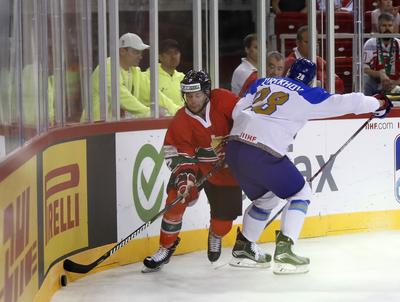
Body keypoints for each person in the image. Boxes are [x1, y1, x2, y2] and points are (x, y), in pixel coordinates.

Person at [225, 58, 392, 274]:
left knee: (266, 199)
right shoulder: (307, 94)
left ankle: (244, 249)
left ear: (287, 71)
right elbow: (345, 102)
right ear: (311, 80)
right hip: (264, 151)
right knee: (300, 193)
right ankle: (286, 251)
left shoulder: (263, 82)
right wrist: (377, 104)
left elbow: (237, 110)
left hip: (235, 147)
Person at [142, 70, 269, 273]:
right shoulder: (181, 120)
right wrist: (186, 180)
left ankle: (215, 235)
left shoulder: (225, 100)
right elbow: (177, 153)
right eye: (189, 96)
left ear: (207, 93)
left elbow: (248, 122)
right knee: (176, 198)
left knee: (223, 223)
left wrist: (237, 153)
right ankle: (165, 248)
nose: (192, 101)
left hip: (226, 171)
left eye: (197, 95)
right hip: (197, 166)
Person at [85, 32, 180, 121]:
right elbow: (122, 97)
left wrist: (179, 111)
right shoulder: (107, 68)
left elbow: (155, 94)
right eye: (136, 52)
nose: (140, 56)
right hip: (95, 128)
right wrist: (149, 113)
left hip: (114, 128)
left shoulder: (134, 71)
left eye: (140, 52)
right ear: (122, 51)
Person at [284, 25, 345, 94]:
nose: (312, 45)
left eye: (315, 42)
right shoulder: (289, 63)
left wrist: (322, 84)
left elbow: (339, 86)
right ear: (298, 43)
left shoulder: (320, 61)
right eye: (307, 42)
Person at [364, 12, 400, 95]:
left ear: (393, 27)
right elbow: (364, 68)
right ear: (378, 27)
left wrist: (396, 82)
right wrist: (380, 74)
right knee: (364, 78)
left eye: (390, 25)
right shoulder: (371, 43)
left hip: (396, 83)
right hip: (376, 83)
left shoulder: (399, 44)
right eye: (384, 26)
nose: (387, 28)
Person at [144, 39, 185, 110]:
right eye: (169, 53)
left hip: (181, 119)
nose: (173, 56)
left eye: (176, 53)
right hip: (160, 120)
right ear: (160, 57)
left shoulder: (183, 78)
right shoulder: (149, 76)